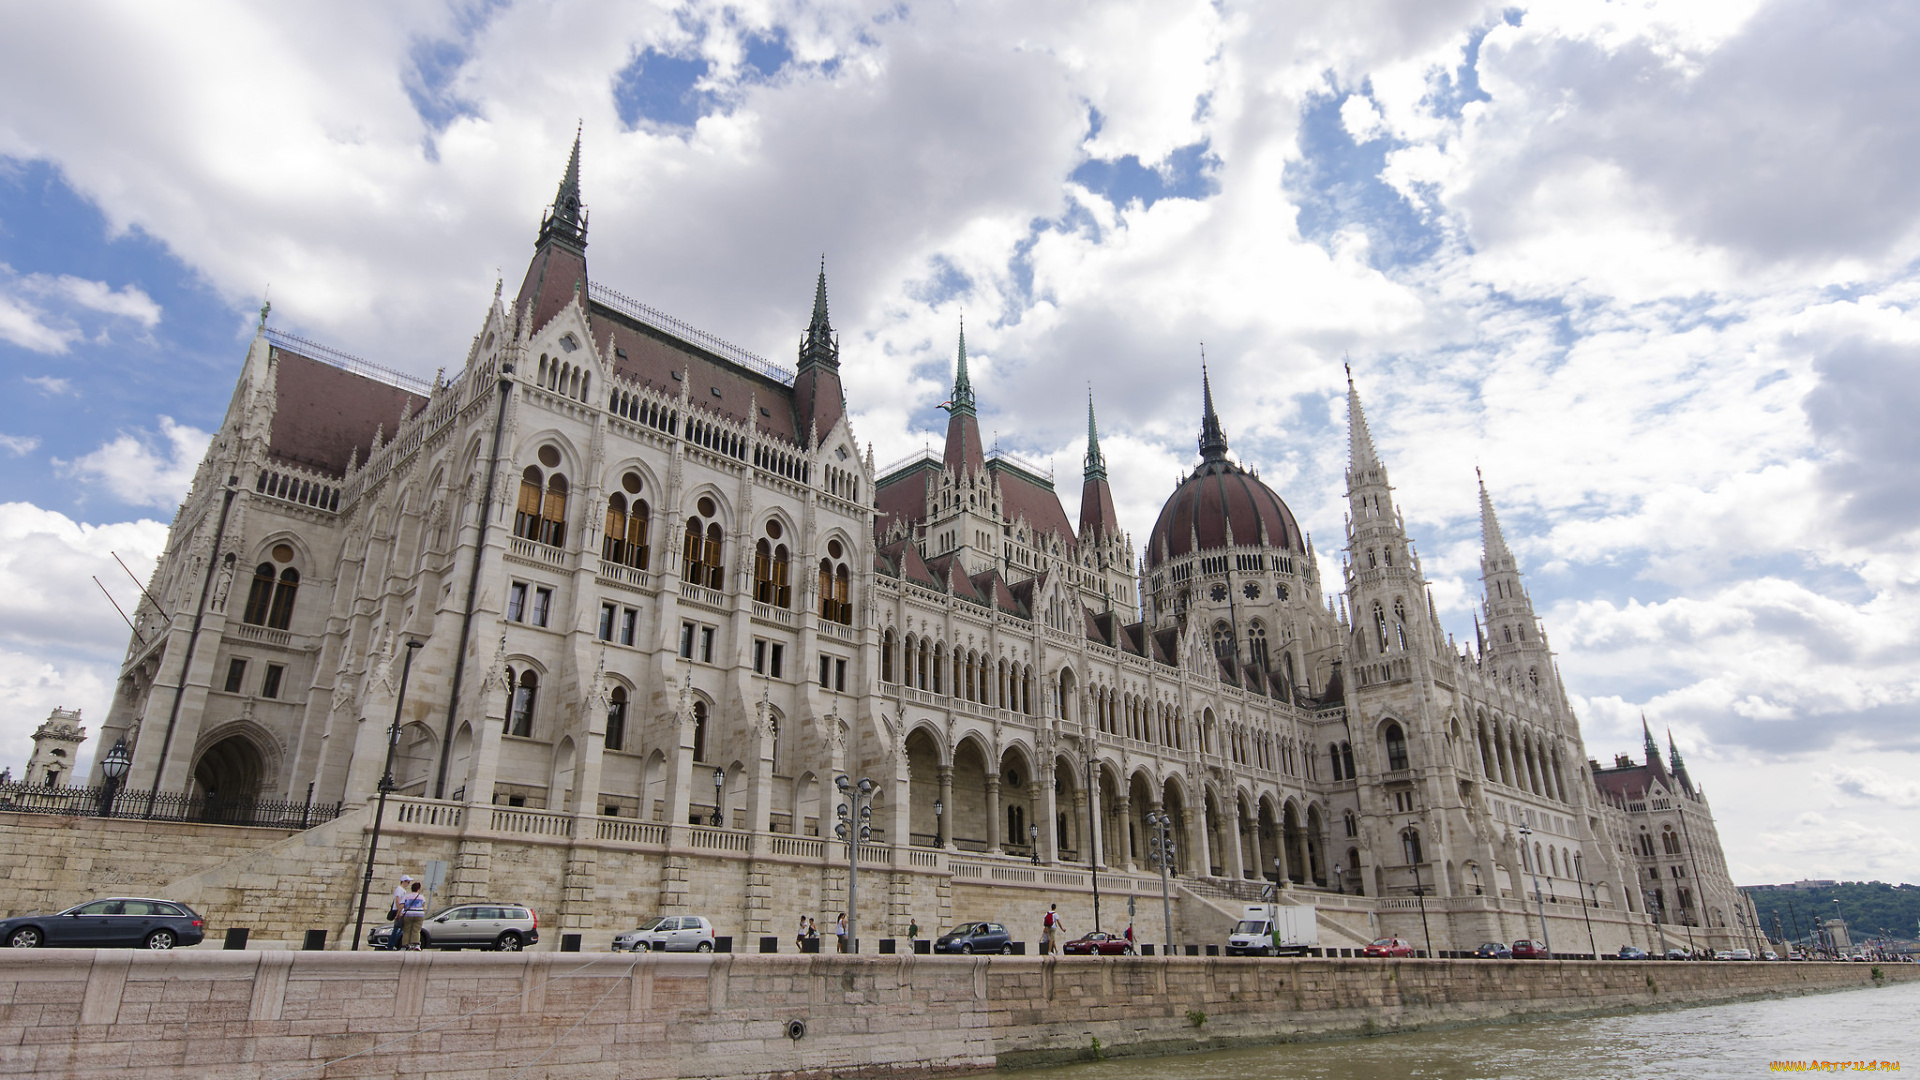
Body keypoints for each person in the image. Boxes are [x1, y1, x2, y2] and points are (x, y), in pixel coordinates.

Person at [399, 880, 427, 951]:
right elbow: (423, 905)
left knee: (406, 930)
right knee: (416, 930)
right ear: (418, 889)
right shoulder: (421, 897)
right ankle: (415, 944)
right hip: (419, 915)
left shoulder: (407, 896)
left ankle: (404, 945)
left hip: (408, 914)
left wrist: (399, 913)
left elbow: (401, 905)